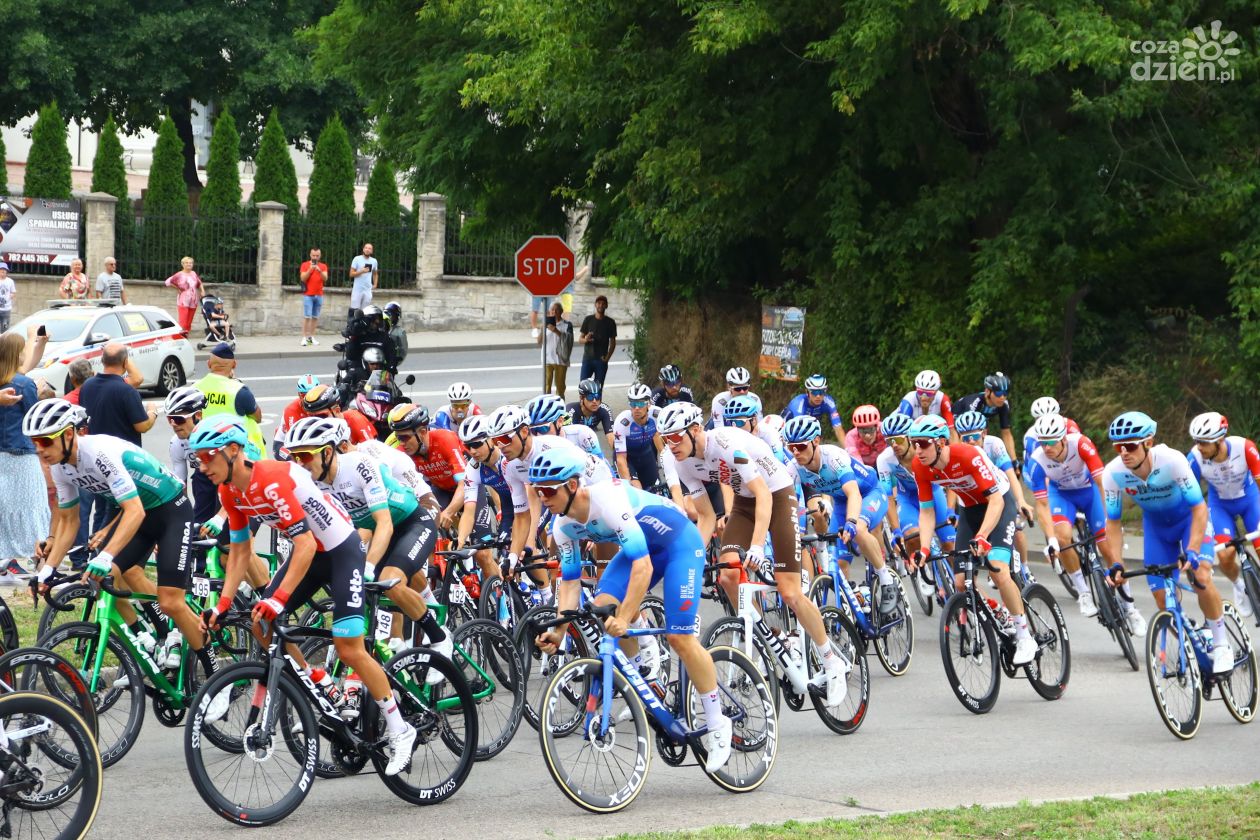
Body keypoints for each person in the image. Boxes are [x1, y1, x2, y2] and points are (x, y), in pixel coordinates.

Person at [187, 416, 417, 774]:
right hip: (310, 554)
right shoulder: (230, 492)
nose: (202, 466)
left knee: (349, 648)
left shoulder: (271, 479)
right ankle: (319, 682)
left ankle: (400, 728)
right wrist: (222, 605)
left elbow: (306, 543)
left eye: (207, 457)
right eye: (198, 459)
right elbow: (241, 551)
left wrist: (277, 598)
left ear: (233, 451)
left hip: (340, 550)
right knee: (261, 624)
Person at [531, 448, 733, 772]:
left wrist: (625, 618)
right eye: (538, 491)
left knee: (679, 637)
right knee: (601, 609)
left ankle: (716, 721)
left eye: (549, 490)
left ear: (572, 485)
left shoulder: (607, 501)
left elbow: (643, 568)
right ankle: (645, 676)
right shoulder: (563, 527)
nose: (543, 498)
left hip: (678, 543)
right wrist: (558, 631)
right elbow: (569, 583)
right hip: (639, 550)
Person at [657, 401, 852, 710]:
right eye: (665, 439)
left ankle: (831, 660)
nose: (671, 445)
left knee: (789, 591)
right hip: (744, 505)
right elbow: (705, 517)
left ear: (695, 430)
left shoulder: (726, 444)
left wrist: (758, 546)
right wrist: (690, 558)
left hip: (777, 494)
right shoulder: (682, 462)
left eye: (675, 437)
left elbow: (763, 493)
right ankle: (771, 638)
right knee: (728, 576)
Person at [26, 399, 220, 681]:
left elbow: (134, 510)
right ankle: (150, 644)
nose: (39, 449)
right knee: (101, 581)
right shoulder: (60, 466)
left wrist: (105, 557)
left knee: (170, 601)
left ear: (68, 434)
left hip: (171, 510)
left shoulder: (98, 453)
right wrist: (47, 571)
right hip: (139, 512)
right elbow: (69, 521)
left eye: (45, 441)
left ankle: (215, 678)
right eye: (34, 442)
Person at [285, 416, 451, 662]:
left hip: (412, 522)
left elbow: (383, 522)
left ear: (327, 452)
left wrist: (369, 566)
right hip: (381, 531)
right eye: (294, 457)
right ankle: (397, 653)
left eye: (305, 456)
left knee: (389, 581)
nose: (300, 463)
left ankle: (440, 637)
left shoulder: (358, 465)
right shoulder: (313, 483)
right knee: (373, 593)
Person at [904, 413, 1038, 665]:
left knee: (998, 570)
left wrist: (983, 536)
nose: (917, 450)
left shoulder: (968, 455)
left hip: (999, 503)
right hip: (970, 510)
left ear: (940, 442)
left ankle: (1024, 636)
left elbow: (996, 500)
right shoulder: (920, 466)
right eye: (914, 444)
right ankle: (998, 612)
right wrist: (924, 548)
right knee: (960, 583)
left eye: (922, 443)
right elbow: (927, 511)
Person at [1103, 412, 1226, 663]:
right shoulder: (1113, 473)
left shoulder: (1172, 460)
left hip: (1188, 521)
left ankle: (1221, 643)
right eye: (1118, 447)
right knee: (1163, 601)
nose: (1124, 452)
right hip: (1157, 530)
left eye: (1130, 446)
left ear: (1148, 442)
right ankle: (1190, 639)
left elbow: (1199, 508)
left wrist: (1192, 550)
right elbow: (1113, 523)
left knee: (1201, 576)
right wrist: (1116, 563)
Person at [783, 414, 898, 607]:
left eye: (801, 446)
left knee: (858, 529)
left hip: (869, 492)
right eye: (791, 447)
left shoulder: (833, 457)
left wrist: (851, 522)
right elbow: (789, 505)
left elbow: (853, 493)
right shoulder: (793, 469)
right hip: (841, 502)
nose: (795, 452)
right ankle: (851, 608)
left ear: (816, 441)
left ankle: (887, 580)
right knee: (838, 563)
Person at [1025, 413, 1111, 618]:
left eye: (1051, 442)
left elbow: (1103, 483)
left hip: (1089, 490)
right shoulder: (1037, 460)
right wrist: (1051, 540)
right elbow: (1042, 505)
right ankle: (1083, 592)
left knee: (1105, 541)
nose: (1047, 447)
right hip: (1062, 495)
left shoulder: (1080, 443)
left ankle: (1129, 607)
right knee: (1062, 539)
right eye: (1043, 442)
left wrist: (1111, 518)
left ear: (1063, 438)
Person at [1186, 411, 1260, 618]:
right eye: (1196, 442)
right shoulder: (1194, 458)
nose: (1199, 447)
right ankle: (1240, 586)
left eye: (1203, 442)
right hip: (1220, 505)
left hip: (1250, 499)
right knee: (1225, 557)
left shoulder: (1245, 447)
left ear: (1219, 440)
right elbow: (1188, 497)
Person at [875, 413, 956, 581]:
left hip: (933, 494)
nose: (894, 445)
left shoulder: (925, 453)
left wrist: (950, 510)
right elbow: (888, 497)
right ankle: (926, 573)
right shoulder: (884, 459)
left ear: (909, 438)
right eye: (889, 441)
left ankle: (955, 583)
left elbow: (951, 482)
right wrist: (895, 530)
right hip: (908, 498)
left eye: (898, 439)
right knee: (912, 536)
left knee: (949, 546)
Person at [0, 334, 49, 584]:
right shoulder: (24, 383)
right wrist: (38, 392)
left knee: (6, 508)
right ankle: (40, 563)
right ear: (16, 354)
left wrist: (38, 343)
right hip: (22, 454)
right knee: (34, 506)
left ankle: (5, 560)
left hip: (2, 455)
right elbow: (34, 418)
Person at [386, 404, 467, 523]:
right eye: (398, 438)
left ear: (423, 432)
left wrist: (449, 512)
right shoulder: (401, 453)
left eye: (405, 438)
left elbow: (465, 483)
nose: (402, 443)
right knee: (430, 520)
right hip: (440, 489)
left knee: (480, 532)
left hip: (468, 486)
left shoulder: (445, 439)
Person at [194, 342, 267, 457]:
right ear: (234, 364)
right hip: (237, 453)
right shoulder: (239, 390)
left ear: (208, 364)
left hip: (205, 451)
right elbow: (258, 417)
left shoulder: (195, 388)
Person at [79, 344, 156, 447]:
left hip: (95, 451)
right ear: (125, 362)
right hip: (123, 453)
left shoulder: (87, 385)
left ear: (102, 360)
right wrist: (152, 412)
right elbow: (143, 426)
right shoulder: (127, 391)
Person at [952, 372, 1017, 463]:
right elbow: (966, 434)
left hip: (975, 425)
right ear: (987, 392)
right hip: (956, 421)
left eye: (1005, 393)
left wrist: (1014, 460)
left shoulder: (1003, 405)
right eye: (998, 393)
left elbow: (1006, 433)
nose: (1002, 397)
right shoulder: (975, 403)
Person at [612, 384, 663, 488]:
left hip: (646, 455)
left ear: (649, 404)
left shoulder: (658, 415)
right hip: (627, 458)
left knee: (657, 490)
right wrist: (629, 486)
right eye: (633, 403)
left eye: (640, 403)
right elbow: (621, 459)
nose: (636, 408)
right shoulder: (622, 422)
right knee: (636, 488)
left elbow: (668, 444)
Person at [301, 383, 376, 445]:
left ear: (337, 410)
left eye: (321, 416)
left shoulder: (356, 420)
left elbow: (372, 453)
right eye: (311, 417)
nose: (317, 421)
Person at [1022, 396, 1081, 466]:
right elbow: (1037, 463)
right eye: (1040, 419)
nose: (1047, 422)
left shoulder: (1070, 425)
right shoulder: (1030, 437)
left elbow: (1079, 450)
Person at [782, 374, 845, 439]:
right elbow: (798, 431)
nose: (818, 396)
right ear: (807, 392)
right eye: (814, 392)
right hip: (785, 429)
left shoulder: (828, 402)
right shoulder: (799, 404)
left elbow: (838, 429)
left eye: (821, 392)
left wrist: (846, 446)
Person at [274, 374, 321, 458]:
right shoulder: (291, 410)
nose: (308, 399)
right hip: (285, 445)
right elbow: (295, 441)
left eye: (312, 395)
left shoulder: (323, 406)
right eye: (304, 395)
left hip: (309, 441)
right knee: (296, 458)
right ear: (299, 394)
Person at [538, 300, 574, 399]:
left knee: (560, 387)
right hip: (547, 359)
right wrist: (542, 329)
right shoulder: (545, 324)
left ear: (561, 311)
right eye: (552, 310)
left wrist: (556, 331)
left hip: (561, 359)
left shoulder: (567, 324)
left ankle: (560, 406)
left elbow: (569, 341)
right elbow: (539, 342)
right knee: (546, 387)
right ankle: (547, 405)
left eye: (556, 310)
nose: (554, 312)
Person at [579, 295, 617, 387]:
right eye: (599, 303)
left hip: (601, 360)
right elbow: (580, 339)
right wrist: (586, 339)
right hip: (587, 359)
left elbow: (613, 342)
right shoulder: (588, 319)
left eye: (603, 304)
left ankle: (597, 398)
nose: (601, 305)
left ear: (606, 306)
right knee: (583, 387)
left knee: (598, 388)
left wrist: (607, 358)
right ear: (595, 305)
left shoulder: (610, 322)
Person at [566, 378, 614, 450]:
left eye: (597, 396)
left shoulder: (604, 409)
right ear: (581, 398)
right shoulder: (571, 410)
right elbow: (568, 441)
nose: (594, 401)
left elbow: (611, 438)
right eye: (590, 397)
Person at [165, 257, 204, 335]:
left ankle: (186, 336)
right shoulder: (179, 274)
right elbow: (167, 282)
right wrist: (178, 288)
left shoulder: (193, 273)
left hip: (193, 300)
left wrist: (202, 291)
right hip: (183, 300)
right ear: (182, 264)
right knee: (183, 320)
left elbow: (199, 283)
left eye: (190, 263)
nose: (189, 264)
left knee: (189, 322)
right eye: (186, 263)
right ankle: (181, 336)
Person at [299, 247, 327, 347]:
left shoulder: (323, 266)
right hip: (308, 295)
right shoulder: (305, 265)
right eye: (313, 255)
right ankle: (304, 338)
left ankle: (311, 338)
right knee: (307, 317)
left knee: (315, 317)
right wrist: (310, 269)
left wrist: (319, 271)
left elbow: (325, 278)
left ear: (320, 256)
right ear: (310, 255)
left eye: (317, 256)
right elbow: (303, 278)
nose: (315, 257)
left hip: (319, 295)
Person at [348, 242, 379, 329]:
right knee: (355, 310)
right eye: (366, 248)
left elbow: (375, 273)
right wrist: (361, 271)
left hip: (367, 290)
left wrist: (375, 284)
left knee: (365, 311)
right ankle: (351, 328)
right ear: (363, 249)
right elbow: (351, 274)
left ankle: (362, 328)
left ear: (372, 251)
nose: (367, 250)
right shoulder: (357, 259)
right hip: (357, 289)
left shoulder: (374, 261)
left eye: (369, 248)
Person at [0, 262, 16, 332]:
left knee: (5, 328)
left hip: (6, 310)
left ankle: (3, 338)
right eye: (1, 270)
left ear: (6, 271)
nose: (3, 271)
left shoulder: (10, 281)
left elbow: (13, 292)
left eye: (4, 270)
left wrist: (10, 297)